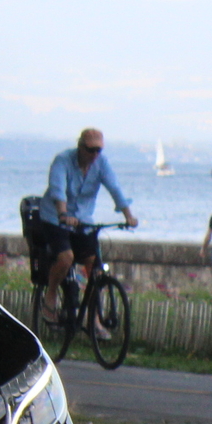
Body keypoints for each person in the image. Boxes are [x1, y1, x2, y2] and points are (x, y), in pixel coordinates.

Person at [35, 128, 138, 304]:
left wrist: (129, 216)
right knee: (66, 257)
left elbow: (115, 188)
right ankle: (51, 294)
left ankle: (94, 317)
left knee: (95, 267)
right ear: (80, 147)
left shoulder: (101, 163)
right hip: (55, 219)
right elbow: (57, 189)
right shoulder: (63, 160)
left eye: (99, 150)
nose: (95, 154)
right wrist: (63, 213)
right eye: (91, 150)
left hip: (83, 220)